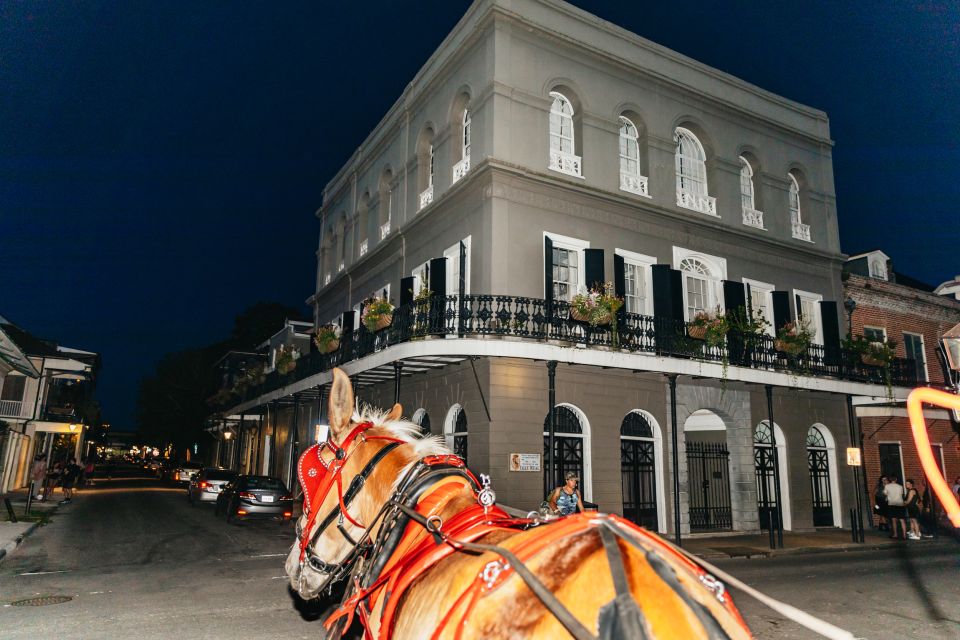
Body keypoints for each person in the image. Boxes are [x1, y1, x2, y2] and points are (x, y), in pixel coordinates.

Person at [883, 476, 908, 540]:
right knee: (902, 520)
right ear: (896, 479)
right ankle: (904, 535)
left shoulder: (887, 486)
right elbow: (901, 494)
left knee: (894, 520)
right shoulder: (900, 486)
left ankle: (895, 534)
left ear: (890, 479)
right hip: (900, 504)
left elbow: (885, 494)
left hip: (892, 504)